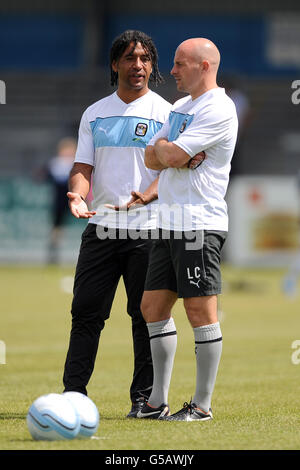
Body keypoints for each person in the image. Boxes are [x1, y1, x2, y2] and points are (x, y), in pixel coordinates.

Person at [62, 30, 172, 418]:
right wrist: (77, 194)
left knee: (145, 318)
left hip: (149, 230)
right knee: (86, 313)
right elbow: (82, 167)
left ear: (152, 65)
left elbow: (173, 170)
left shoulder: (166, 113)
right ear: (115, 64)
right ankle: (73, 396)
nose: (138, 65)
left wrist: (150, 193)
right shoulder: (95, 113)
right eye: (129, 58)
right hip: (102, 228)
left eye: (144, 58)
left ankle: (143, 400)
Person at [136, 38, 238, 421]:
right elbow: (152, 156)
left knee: (199, 309)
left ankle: (201, 405)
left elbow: (170, 155)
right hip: (168, 221)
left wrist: (169, 150)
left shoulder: (219, 107)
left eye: (180, 64)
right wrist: (169, 149)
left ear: (205, 66)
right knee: (152, 306)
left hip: (199, 223)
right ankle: (156, 401)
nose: (173, 71)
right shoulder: (180, 107)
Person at [43, 137, 77, 264]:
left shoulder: (77, 163)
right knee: (57, 228)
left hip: (78, 200)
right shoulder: (56, 163)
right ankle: (53, 254)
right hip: (60, 202)